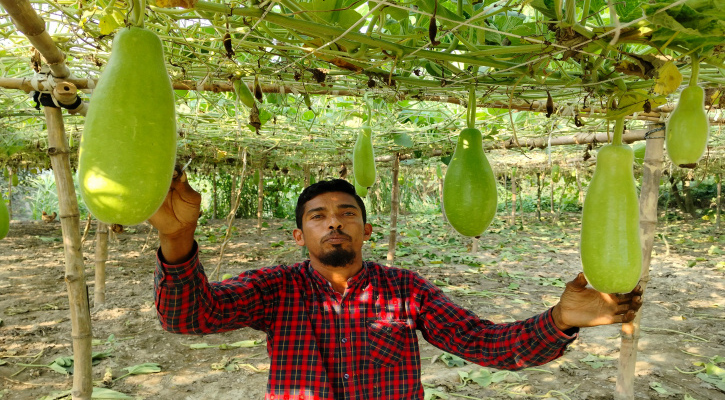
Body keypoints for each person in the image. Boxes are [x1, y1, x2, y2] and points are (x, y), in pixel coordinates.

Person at [149, 171, 643, 400]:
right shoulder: (276, 287)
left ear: (367, 230)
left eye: (347, 214)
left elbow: (482, 343)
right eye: (318, 217)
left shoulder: (407, 290)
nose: (334, 223)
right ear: (300, 235)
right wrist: (177, 238)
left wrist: (558, 322)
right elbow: (189, 318)